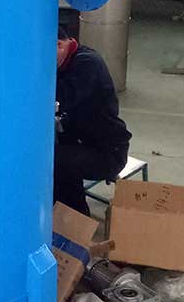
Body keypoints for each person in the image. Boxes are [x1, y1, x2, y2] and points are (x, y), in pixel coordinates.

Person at [54, 27, 131, 215]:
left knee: (56, 161)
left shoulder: (87, 64)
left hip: (108, 152)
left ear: (59, 45)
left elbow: (60, 97)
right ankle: (65, 218)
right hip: (83, 144)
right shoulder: (65, 62)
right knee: (57, 157)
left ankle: (74, 222)